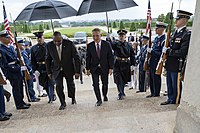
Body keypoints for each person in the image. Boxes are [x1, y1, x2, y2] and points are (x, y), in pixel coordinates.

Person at [161, 10, 193, 105]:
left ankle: (176, 100)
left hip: (177, 63)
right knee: (169, 83)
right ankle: (170, 98)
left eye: (178, 19)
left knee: (176, 84)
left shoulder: (186, 34)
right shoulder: (174, 33)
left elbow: (182, 52)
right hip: (170, 63)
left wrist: (168, 51)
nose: (176, 21)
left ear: (184, 20)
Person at [46, 31, 81, 110]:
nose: (57, 43)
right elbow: (47, 59)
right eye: (55, 41)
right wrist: (49, 72)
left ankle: (72, 97)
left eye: (59, 41)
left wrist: (77, 71)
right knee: (58, 86)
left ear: (61, 38)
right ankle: (62, 102)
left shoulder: (69, 44)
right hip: (57, 69)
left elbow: (76, 57)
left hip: (68, 68)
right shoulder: (49, 46)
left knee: (70, 84)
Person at [0, 30, 30, 110]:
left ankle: (21, 101)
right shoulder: (1, 49)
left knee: (20, 87)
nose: (9, 39)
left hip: (17, 69)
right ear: (1, 39)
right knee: (16, 88)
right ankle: (19, 104)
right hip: (11, 72)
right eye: (6, 38)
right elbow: (4, 65)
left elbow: (16, 58)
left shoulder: (10, 47)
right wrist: (17, 67)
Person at [86, 28, 114, 106]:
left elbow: (110, 56)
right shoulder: (90, 45)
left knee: (105, 83)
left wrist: (111, 67)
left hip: (104, 67)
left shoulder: (107, 44)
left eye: (97, 36)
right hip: (94, 68)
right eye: (93, 36)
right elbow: (88, 57)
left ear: (101, 35)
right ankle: (98, 99)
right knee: (95, 84)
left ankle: (104, 95)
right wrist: (87, 68)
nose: (95, 38)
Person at [31, 31, 56, 102]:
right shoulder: (34, 48)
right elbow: (33, 60)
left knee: (50, 82)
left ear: (43, 38)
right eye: (38, 38)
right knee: (44, 84)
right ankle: (51, 94)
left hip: (49, 66)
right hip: (40, 68)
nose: (39, 39)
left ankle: (51, 97)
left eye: (40, 38)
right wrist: (34, 70)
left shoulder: (49, 46)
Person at [146, 22, 167, 98]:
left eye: (157, 28)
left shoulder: (163, 39)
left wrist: (151, 51)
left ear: (162, 29)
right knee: (151, 77)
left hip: (157, 61)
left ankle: (156, 93)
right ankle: (152, 92)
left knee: (156, 77)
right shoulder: (156, 38)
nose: (156, 30)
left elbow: (161, 53)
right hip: (152, 61)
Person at [111, 29, 133, 100]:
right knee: (118, 79)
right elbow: (110, 45)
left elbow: (132, 55)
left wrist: (133, 64)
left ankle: (122, 91)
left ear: (125, 36)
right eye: (120, 36)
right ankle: (120, 93)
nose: (121, 37)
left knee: (124, 79)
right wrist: (108, 39)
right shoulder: (116, 44)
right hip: (118, 63)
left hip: (126, 63)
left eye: (122, 36)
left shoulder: (129, 45)